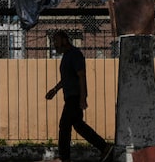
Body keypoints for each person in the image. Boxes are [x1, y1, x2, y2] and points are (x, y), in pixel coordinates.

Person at [45, 31, 114, 162]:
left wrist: (82, 98)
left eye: (56, 41)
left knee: (64, 125)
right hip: (70, 96)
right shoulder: (66, 56)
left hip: (75, 97)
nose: (54, 44)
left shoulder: (75, 54)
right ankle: (105, 147)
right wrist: (55, 90)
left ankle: (64, 158)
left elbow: (81, 75)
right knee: (78, 126)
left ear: (65, 40)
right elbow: (66, 79)